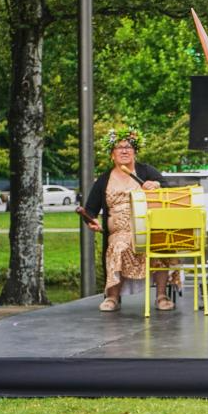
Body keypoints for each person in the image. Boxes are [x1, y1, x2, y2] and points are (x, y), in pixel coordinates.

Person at [81, 127, 174, 312]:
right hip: (119, 233)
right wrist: (91, 221)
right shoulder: (104, 179)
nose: (124, 151)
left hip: (147, 228)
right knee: (118, 246)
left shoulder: (146, 171)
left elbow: (167, 188)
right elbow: (90, 209)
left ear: (135, 152)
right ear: (112, 154)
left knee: (160, 245)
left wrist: (155, 184)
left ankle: (161, 296)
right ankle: (112, 297)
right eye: (119, 147)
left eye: (128, 147)